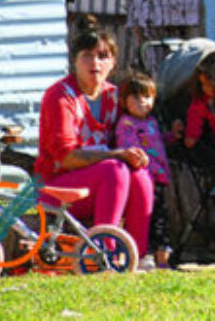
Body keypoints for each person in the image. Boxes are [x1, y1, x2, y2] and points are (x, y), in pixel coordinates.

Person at [35, 17, 153, 262]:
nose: (95, 63)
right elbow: (66, 158)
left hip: (100, 186)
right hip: (57, 191)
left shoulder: (115, 97)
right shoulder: (61, 96)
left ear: (113, 63)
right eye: (87, 55)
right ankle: (103, 253)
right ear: (74, 60)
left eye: (103, 56)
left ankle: (136, 257)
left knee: (140, 175)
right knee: (115, 168)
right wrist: (117, 155)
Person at [115, 72, 172, 270]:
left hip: (159, 179)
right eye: (136, 98)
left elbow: (160, 144)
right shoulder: (126, 124)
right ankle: (143, 255)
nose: (143, 102)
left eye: (147, 97)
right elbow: (129, 148)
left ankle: (163, 259)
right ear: (124, 101)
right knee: (145, 218)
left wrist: (174, 135)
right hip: (144, 179)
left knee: (161, 220)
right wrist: (142, 161)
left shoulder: (152, 123)